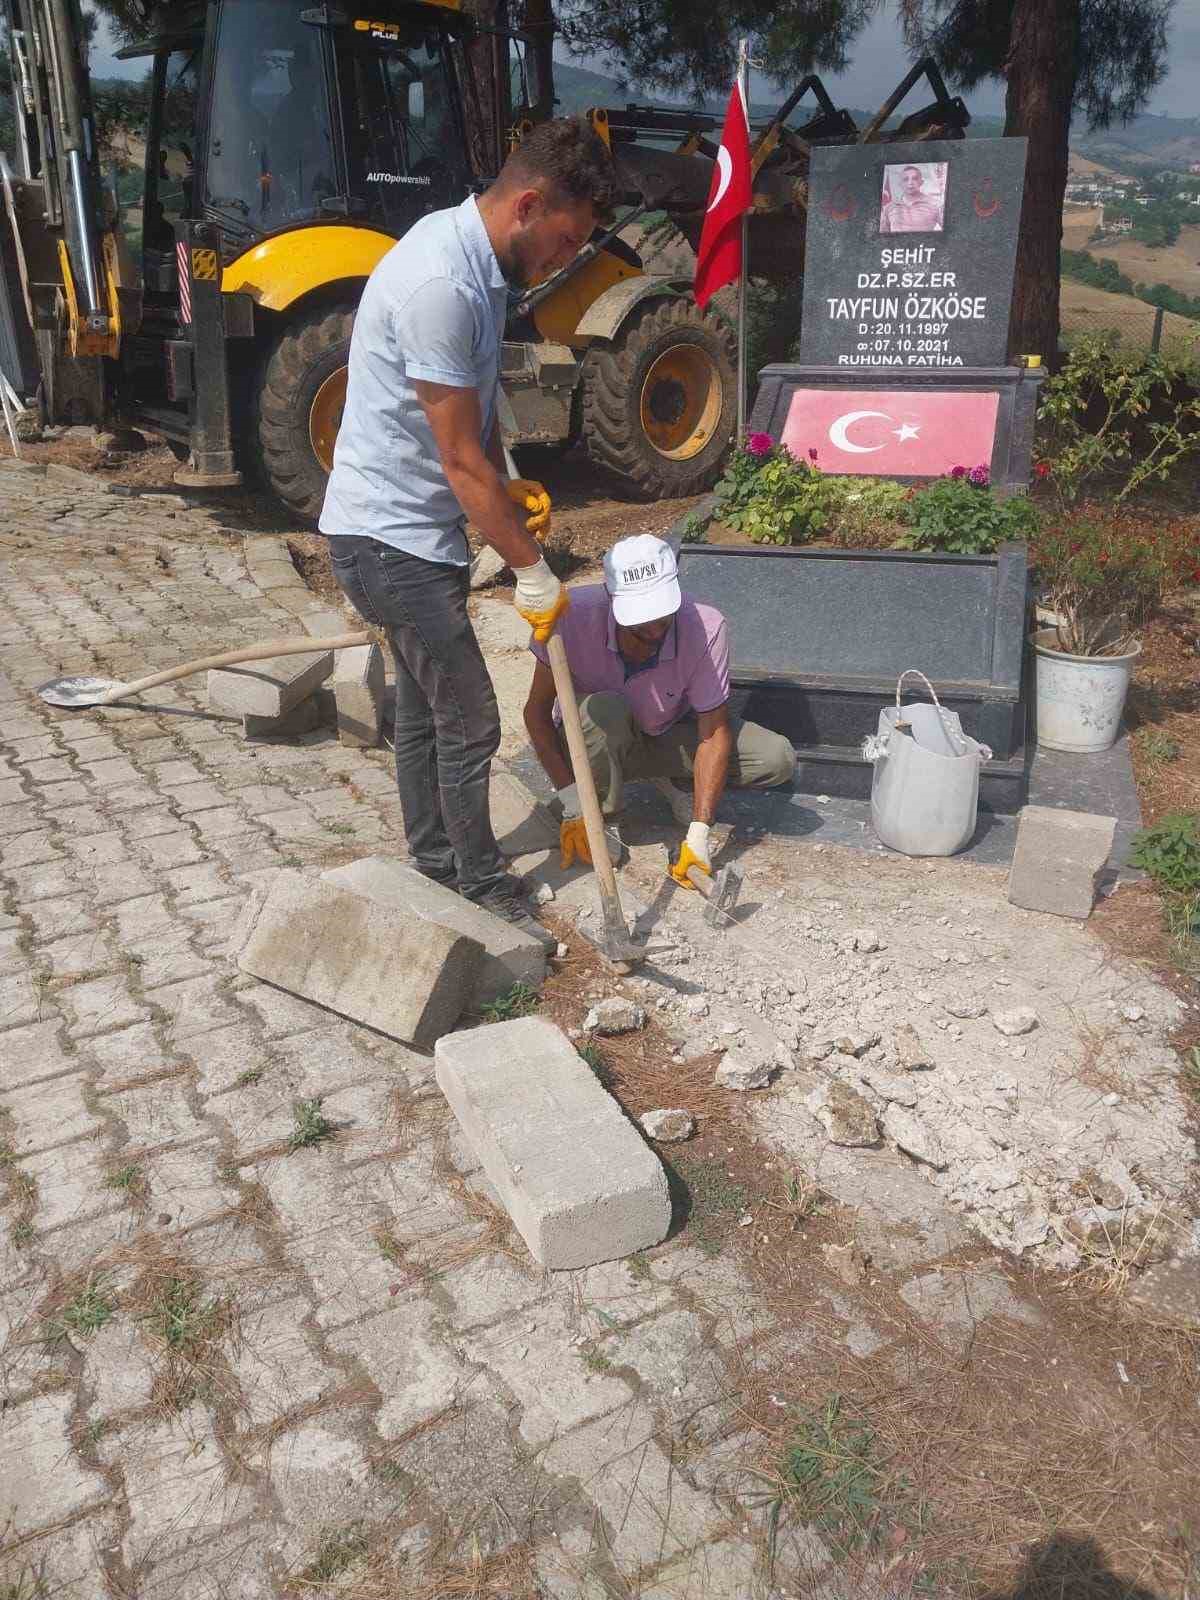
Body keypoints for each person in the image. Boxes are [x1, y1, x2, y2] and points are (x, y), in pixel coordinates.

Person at [319, 119, 616, 948]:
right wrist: (532, 569)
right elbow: (455, 461)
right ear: (527, 205)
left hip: (415, 534)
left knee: (422, 710)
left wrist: (506, 478)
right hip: (387, 541)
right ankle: (483, 885)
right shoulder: (441, 283)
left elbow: (473, 419)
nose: (564, 259)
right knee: (473, 719)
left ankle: (436, 861)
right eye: (563, 240)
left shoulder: (484, 273)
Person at [522, 535, 795, 890]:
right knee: (600, 710)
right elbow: (536, 714)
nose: (653, 629)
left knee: (776, 758)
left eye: (661, 616)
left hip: (665, 729)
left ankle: (672, 781)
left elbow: (713, 732)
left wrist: (699, 832)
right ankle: (601, 812)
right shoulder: (570, 617)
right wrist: (572, 802)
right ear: (611, 596)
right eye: (639, 620)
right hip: (594, 739)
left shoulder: (706, 627)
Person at [881, 164, 944, 233]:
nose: (910, 183)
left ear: (921, 182)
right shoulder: (889, 207)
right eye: (905, 179)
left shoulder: (936, 205)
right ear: (900, 184)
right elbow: (883, 235)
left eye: (915, 179)